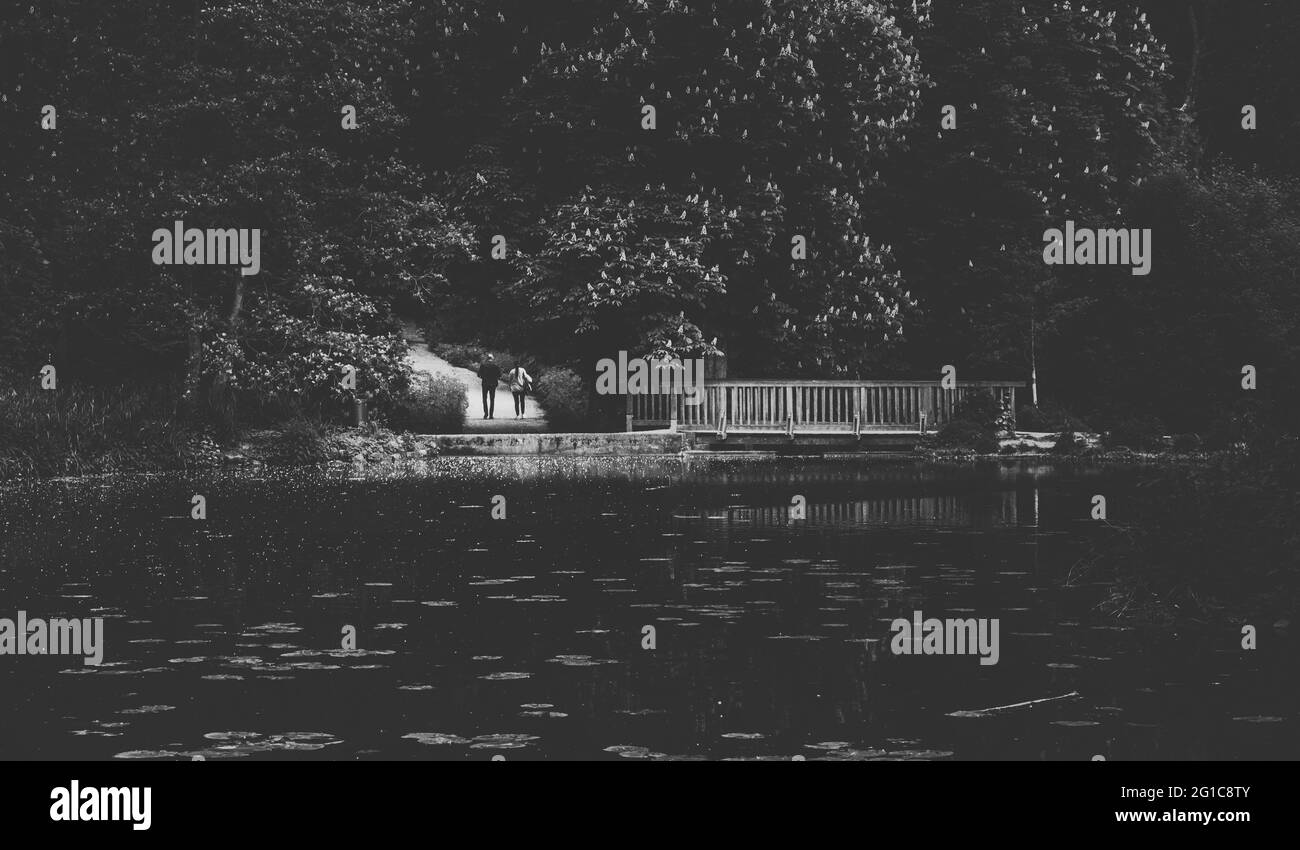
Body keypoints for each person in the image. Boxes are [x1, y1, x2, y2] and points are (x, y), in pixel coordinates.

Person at [478, 354, 501, 419]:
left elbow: (478, 375)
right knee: (492, 399)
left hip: (485, 384)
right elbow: (499, 375)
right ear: (492, 359)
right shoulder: (496, 366)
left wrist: (483, 377)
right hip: (493, 384)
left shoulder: (483, 365)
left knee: (484, 399)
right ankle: (491, 415)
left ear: (487, 359)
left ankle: (486, 414)